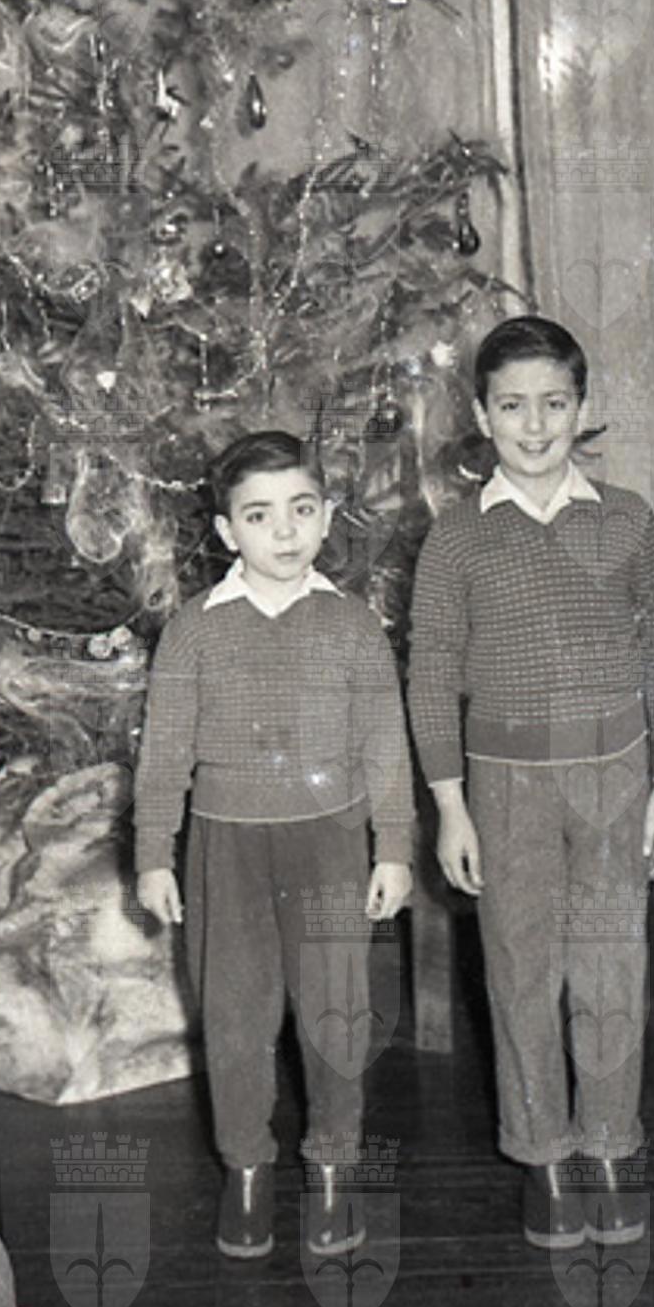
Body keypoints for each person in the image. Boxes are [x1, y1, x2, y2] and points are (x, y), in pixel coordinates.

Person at [407, 315, 654, 1250]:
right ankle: (544, 1155)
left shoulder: (628, 519)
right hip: (504, 786)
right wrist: (450, 805)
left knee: (611, 963)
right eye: (513, 406)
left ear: (582, 408)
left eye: (554, 404)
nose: (534, 426)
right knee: (521, 967)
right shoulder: (456, 539)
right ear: (481, 414)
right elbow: (430, 672)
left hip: (614, 777)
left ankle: (608, 1143)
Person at [135, 430, 414, 1261]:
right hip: (226, 849)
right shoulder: (193, 631)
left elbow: (385, 745)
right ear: (228, 532)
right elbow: (164, 753)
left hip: (330, 842)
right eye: (259, 516)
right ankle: (247, 1170)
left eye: (300, 509)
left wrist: (393, 846)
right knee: (234, 1018)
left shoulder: (353, 626)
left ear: (326, 516)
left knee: (334, 1014)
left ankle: (332, 1168)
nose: (284, 531)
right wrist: (153, 854)